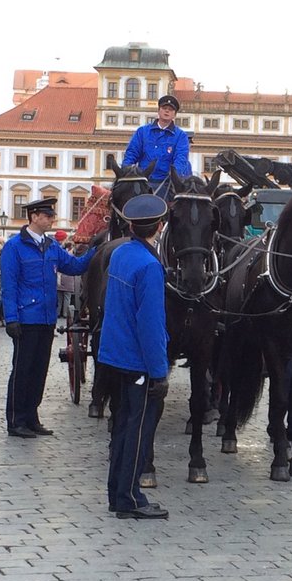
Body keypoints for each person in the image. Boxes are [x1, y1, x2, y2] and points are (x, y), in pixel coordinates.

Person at [98, 195, 170, 519]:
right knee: (138, 431)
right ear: (160, 226)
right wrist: (159, 371)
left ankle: (117, 492)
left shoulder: (120, 254)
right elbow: (151, 323)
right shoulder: (150, 266)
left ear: (130, 225)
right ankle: (130, 497)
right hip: (138, 361)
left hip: (114, 355)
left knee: (122, 429)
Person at [1, 199, 97, 438]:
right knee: (22, 370)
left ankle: (32, 416)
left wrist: (96, 248)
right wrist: (11, 317)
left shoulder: (51, 246)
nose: (51, 218)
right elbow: (9, 285)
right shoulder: (14, 247)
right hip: (26, 317)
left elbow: (74, 266)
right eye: (47, 215)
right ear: (33, 216)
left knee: (39, 370)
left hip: (46, 317)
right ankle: (16, 420)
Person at [121, 95, 192, 200]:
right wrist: (125, 171)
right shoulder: (143, 131)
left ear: (174, 114)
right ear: (158, 111)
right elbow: (132, 153)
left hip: (166, 182)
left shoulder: (181, 136)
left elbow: (181, 158)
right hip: (142, 180)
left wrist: (175, 177)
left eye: (171, 109)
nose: (167, 111)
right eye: (164, 108)